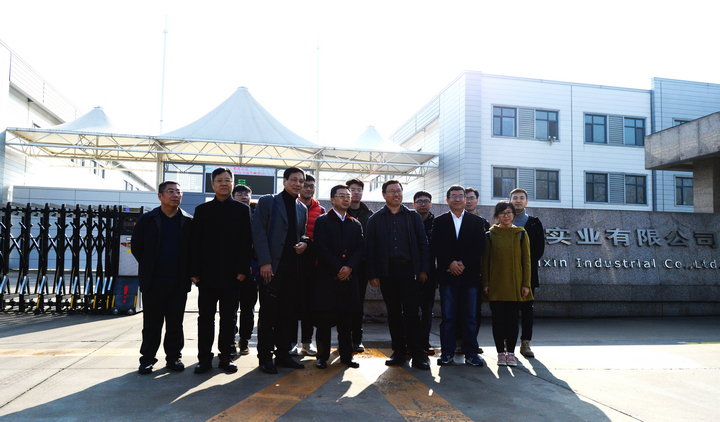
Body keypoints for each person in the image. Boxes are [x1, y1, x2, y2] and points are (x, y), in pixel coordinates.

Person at [190, 168, 253, 374]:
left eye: (227, 180)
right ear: (213, 184)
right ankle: (204, 358)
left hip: (232, 275)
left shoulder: (242, 210)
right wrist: (194, 270)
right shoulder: (202, 210)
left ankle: (226, 356)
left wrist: (243, 269)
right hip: (206, 275)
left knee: (229, 317)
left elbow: (246, 242)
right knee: (205, 318)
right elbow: (195, 242)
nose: (224, 184)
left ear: (232, 183)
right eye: (219, 180)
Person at [366, 180, 431, 370]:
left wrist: (423, 270)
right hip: (387, 272)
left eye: (399, 191)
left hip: (410, 271)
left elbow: (423, 244)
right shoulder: (375, 219)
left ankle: (417, 354)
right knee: (393, 313)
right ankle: (399, 352)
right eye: (392, 191)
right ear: (384, 195)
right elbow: (370, 248)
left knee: (412, 313)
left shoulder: (413, 217)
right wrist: (372, 274)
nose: (396, 194)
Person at [252, 167, 310, 374]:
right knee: (268, 315)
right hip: (271, 268)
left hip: (292, 269)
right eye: (293, 180)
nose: (298, 184)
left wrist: (305, 243)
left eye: (301, 181)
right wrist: (264, 262)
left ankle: (283, 354)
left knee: (288, 315)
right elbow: (258, 231)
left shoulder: (302, 208)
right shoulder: (268, 201)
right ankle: (265, 357)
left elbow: (301, 234)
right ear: (284, 181)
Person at [133, 181, 193, 374]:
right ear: (160, 196)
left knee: (175, 324)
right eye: (171, 191)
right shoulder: (147, 219)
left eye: (178, 192)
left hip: (178, 282)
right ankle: (147, 359)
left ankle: (174, 358)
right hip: (153, 282)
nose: (176, 195)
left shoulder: (188, 221)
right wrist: (149, 266)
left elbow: (194, 250)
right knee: (152, 324)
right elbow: (137, 247)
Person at [432, 186, 487, 367]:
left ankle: (471, 353)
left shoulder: (476, 221)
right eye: (453, 196)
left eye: (461, 196)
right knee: (448, 317)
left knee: (470, 317)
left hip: (469, 276)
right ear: (447, 200)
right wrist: (450, 263)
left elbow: (479, 246)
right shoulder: (440, 221)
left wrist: (463, 264)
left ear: (466, 199)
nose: (457, 199)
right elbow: (436, 245)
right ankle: (447, 352)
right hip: (447, 276)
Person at [312, 185, 363, 369]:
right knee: (324, 321)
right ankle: (322, 356)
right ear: (332, 199)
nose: (346, 198)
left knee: (346, 321)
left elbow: (360, 249)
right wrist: (338, 269)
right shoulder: (323, 221)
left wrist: (349, 268)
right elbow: (321, 248)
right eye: (341, 195)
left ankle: (347, 356)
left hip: (348, 279)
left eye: (348, 195)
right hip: (327, 278)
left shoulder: (355, 223)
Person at [482, 201, 532, 367]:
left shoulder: (521, 234)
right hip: (496, 284)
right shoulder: (490, 235)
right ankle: (500, 354)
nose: (506, 216)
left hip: (515, 284)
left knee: (512, 321)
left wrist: (526, 284)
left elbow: (526, 261)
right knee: (498, 321)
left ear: (514, 215)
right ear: (497, 215)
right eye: (502, 213)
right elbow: (485, 261)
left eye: (509, 212)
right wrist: (486, 283)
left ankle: (510, 353)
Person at [510, 188, 545, 358]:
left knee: (527, 309)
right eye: (515, 198)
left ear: (526, 202)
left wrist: (524, 266)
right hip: (507, 273)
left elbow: (539, 249)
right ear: (510, 201)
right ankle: (508, 342)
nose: (518, 200)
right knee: (509, 310)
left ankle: (525, 343)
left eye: (521, 198)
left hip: (528, 273)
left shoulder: (534, 223)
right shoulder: (504, 221)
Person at [291, 174, 324, 356]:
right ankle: (290, 342)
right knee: (291, 305)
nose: (308, 189)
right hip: (292, 264)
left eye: (312, 186)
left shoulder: (321, 210)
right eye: (305, 185)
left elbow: (322, 240)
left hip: (313, 266)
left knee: (309, 308)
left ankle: (306, 342)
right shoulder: (291, 206)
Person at [455, 186, 490, 355]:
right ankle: (458, 340)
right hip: (455, 271)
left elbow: (483, 249)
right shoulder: (454, 219)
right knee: (456, 308)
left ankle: (471, 341)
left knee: (475, 310)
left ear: (477, 200)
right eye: (466, 198)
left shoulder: (483, 222)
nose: (468, 201)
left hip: (475, 272)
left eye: (471, 198)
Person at [346, 178, 373, 353]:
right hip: (341, 266)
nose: (355, 193)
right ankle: (343, 339)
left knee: (357, 303)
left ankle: (357, 338)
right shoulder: (340, 211)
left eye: (359, 190)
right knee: (342, 304)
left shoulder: (369, 215)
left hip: (361, 267)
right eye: (352, 190)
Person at [232, 183, 259, 356]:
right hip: (232, 270)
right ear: (233, 197)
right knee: (230, 307)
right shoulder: (229, 213)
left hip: (252, 270)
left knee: (248, 307)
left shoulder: (258, 215)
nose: (243, 197)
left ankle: (244, 340)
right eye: (239, 194)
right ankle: (230, 338)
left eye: (246, 194)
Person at [412, 190, 436, 356]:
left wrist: (427, 271)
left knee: (427, 310)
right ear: (414, 204)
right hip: (410, 273)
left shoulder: (437, 223)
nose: (423, 204)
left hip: (430, 275)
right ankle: (410, 342)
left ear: (430, 204)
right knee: (410, 310)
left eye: (426, 201)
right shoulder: (409, 221)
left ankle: (424, 342)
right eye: (419, 201)